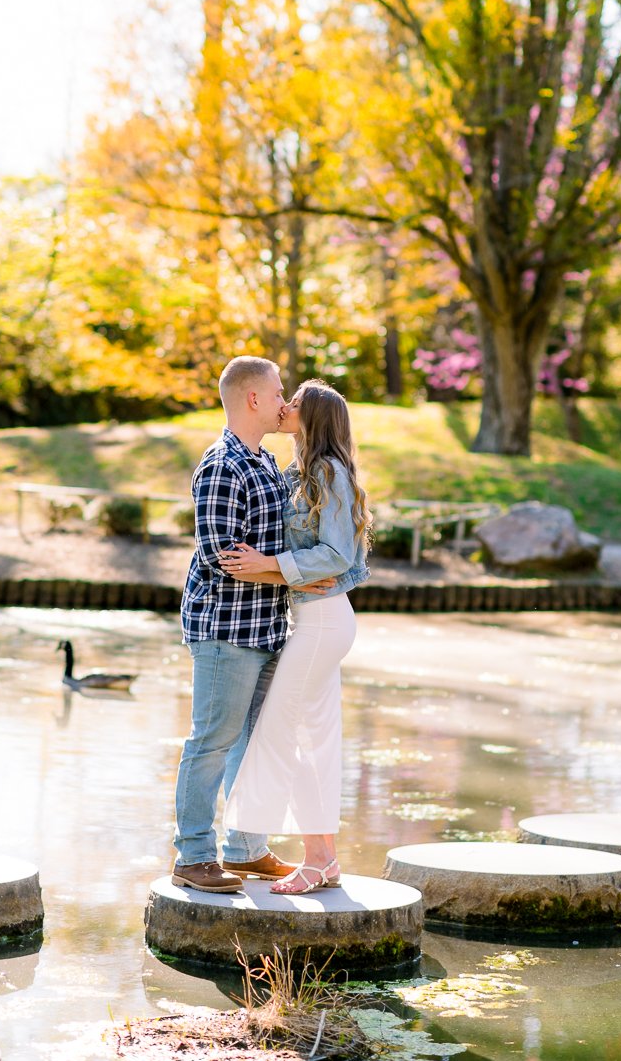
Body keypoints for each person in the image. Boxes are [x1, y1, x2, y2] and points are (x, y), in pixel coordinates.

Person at [171, 356, 333, 894]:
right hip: (225, 630)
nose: (286, 400)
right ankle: (194, 856)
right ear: (253, 399)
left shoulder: (263, 462)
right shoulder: (222, 465)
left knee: (262, 741)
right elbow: (223, 556)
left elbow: (267, 551)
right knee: (212, 741)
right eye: (279, 391)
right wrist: (287, 574)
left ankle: (245, 850)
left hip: (266, 629)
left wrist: (281, 568)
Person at [218, 378, 371, 895]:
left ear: (314, 419)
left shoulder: (328, 471)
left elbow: (336, 556)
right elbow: (314, 563)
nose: (285, 406)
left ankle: (308, 857)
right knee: (311, 740)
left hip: (324, 621)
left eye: (296, 403)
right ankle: (323, 860)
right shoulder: (299, 471)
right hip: (313, 617)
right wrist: (271, 570)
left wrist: (268, 564)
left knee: (284, 737)